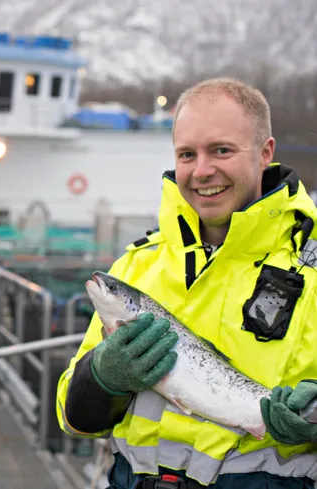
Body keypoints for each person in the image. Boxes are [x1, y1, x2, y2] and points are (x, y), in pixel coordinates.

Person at [56, 77, 317, 488]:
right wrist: (103, 377)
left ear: (265, 153)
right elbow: (74, 420)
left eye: (222, 150)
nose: (202, 171)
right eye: (186, 154)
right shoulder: (135, 265)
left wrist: (314, 416)